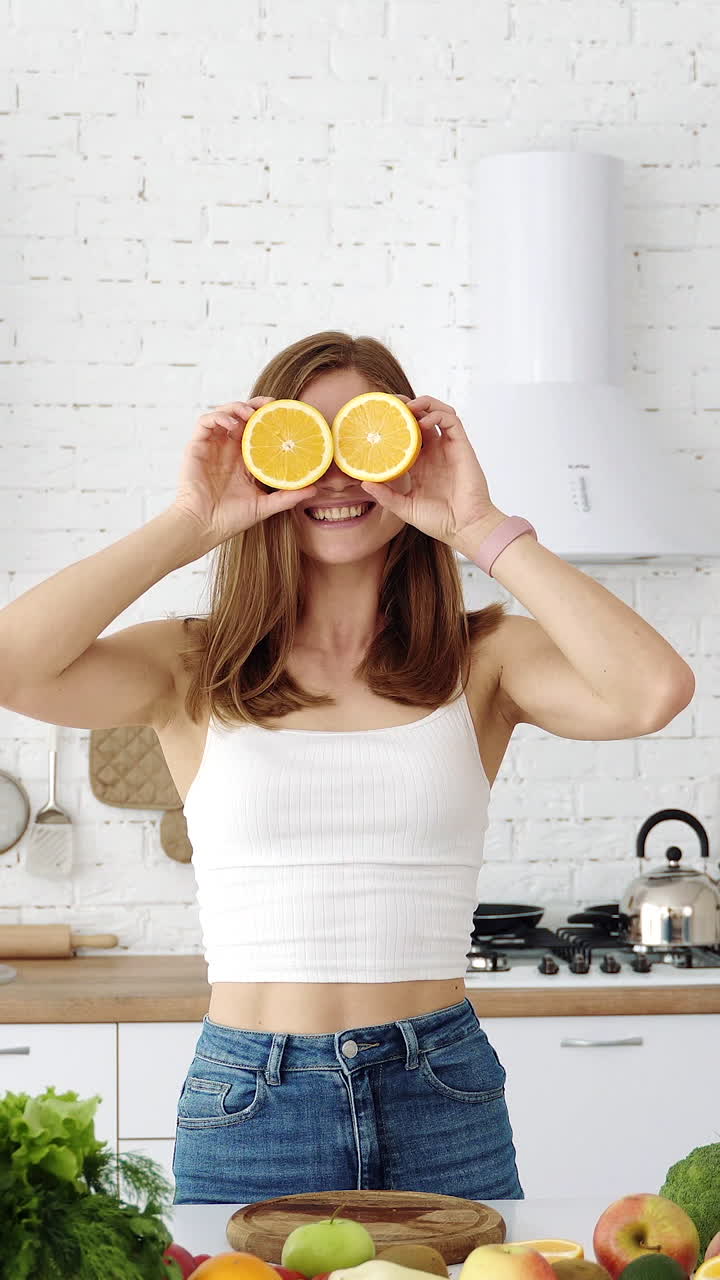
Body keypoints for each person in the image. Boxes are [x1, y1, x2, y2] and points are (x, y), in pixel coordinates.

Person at [0, 331, 694, 1205]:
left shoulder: (483, 659)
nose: (334, 476)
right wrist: (189, 524)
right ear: (263, 457)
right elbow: (12, 668)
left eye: (361, 442)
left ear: (410, 450)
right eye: (305, 443)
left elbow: (653, 692)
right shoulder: (192, 662)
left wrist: (480, 527)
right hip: (251, 1095)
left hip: (440, 1086)